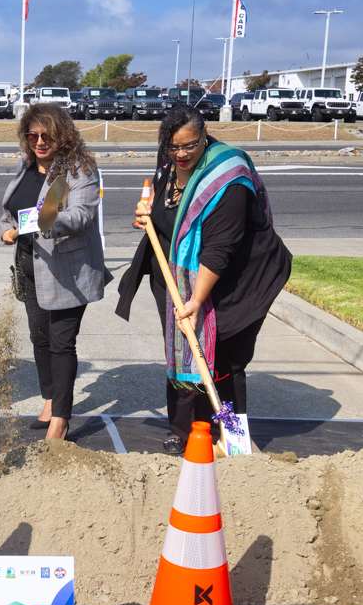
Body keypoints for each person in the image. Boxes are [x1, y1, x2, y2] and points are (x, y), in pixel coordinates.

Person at [116, 105, 292, 454]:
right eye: (173, 146)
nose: (181, 154)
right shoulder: (169, 165)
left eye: (189, 145)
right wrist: (147, 215)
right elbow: (169, 211)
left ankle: (232, 436)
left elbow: (219, 249)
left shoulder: (226, 177)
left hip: (238, 278)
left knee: (225, 357)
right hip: (177, 272)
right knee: (185, 347)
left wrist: (196, 300)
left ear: (205, 133)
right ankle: (184, 431)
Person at [0, 103, 106, 440]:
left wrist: (43, 221)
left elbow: (80, 217)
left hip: (68, 271)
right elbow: (11, 211)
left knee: (61, 343)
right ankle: (49, 400)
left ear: (63, 134)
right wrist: (6, 228)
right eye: (33, 135)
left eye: (47, 135)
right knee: (39, 337)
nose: (40, 142)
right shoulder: (27, 165)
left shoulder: (78, 169)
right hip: (30, 265)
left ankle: (60, 418)